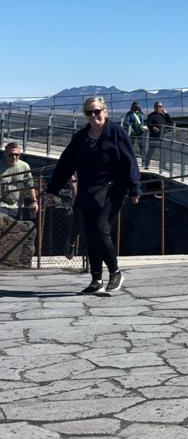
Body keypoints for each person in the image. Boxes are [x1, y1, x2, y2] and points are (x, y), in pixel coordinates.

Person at [42, 97, 140, 294]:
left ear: (105, 111)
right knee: (90, 235)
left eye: (97, 111)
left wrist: (134, 188)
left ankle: (115, 272)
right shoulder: (80, 138)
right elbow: (65, 164)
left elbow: (130, 161)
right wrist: (52, 189)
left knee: (101, 230)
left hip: (111, 190)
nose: (94, 115)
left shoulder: (116, 133)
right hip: (88, 191)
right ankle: (96, 280)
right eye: (89, 112)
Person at [0, 142, 37, 220]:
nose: (14, 157)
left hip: (17, 206)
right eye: (11, 155)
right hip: (2, 205)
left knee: (15, 230)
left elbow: (30, 185)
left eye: (17, 155)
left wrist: (34, 201)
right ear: (5, 154)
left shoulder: (24, 166)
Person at [144, 101, 173, 168]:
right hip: (154, 137)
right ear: (154, 107)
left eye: (160, 106)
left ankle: (163, 166)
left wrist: (166, 113)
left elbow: (171, 123)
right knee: (151, 152)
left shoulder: (163, 116)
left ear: (162, 107)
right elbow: (148, 124)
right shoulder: (151, 115)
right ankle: (146, 165)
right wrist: (153, 127)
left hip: (162, 137)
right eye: (156, 106)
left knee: (163, 152)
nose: (158, 108)